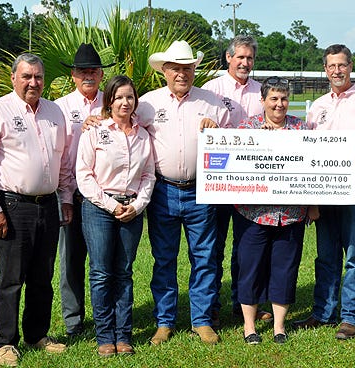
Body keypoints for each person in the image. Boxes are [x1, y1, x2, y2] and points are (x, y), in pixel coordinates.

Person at [293, 44, 355, 339]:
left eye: (342, 65)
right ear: (325, 70)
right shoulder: (319, 106)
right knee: (325, 254)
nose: (337, 71)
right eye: (331, 66)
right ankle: (323, 312)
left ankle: (350, 316)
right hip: (323, 186)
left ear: (351, 66)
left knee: (354, 253)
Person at [0, 53, 74, 367]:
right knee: (11, 278)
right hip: (13, 206)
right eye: (26, 76)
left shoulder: (55, 112)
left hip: (47, 205)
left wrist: (66, 198)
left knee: (42, 276)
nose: (33, 82)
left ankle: (37, 335)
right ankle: (5, 343)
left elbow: (61, 163)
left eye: (38, 77)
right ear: (13, 78)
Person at [137, 40, 229, 345]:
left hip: (201, 190)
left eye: (187, 67)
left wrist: (218, 129)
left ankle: (201, 320)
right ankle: (165, 321)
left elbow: (234, 141)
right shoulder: (148, 103)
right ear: (164, 70)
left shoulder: (212, 102)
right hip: (162, 190)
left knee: (204, 257)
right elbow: (125, 128)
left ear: (194, 69)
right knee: (164, 258)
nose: (182, 73)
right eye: (175, 68)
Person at [234, 77, 319, 345]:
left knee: (285, 270)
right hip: (253, 214)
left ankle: (279, 327)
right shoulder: (246, 129)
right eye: (273, 99)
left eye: (283, 99)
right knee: (251, 268)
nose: (279, 104)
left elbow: (313, 169)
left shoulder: (301, 129)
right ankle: (250, 327)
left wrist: (313, 205)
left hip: (291, 214)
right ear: (263, 101)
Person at [76, 75, 155, 356]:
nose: (125, 102)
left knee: (124, 273)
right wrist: (112, 206)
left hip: (132, 210)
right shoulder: (95, 131)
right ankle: (104, 336)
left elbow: (148, 175)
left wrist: (138, 205)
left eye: (130, 97)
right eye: (119, 97)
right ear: (109, 100)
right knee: (100, 273)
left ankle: (124, 335)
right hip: (99, 209)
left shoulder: (143, 135)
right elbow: (83, 176)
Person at [201, 35, 271, 326]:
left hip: (251, 184)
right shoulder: (210, 90)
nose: (245, 63)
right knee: (213, 248)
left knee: (247, 248)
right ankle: (212, 305)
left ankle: (243, 302)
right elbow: (202, 129)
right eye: (240, 57)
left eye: (250, 58)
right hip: (218, 181)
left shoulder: (261, 92)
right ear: (228, 57)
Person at [56, 42, 115, 337]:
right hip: (73, 193)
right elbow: (59, 153)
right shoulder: (61, 107)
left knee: (107, 261)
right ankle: (73, 319)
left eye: (93, 69)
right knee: (71, 259)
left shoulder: (113, 103)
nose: (88, 75)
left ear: (101, 74)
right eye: (82, 70)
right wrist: (65, 196)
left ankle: (110, 314)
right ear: (73, 75)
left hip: (107, 196)